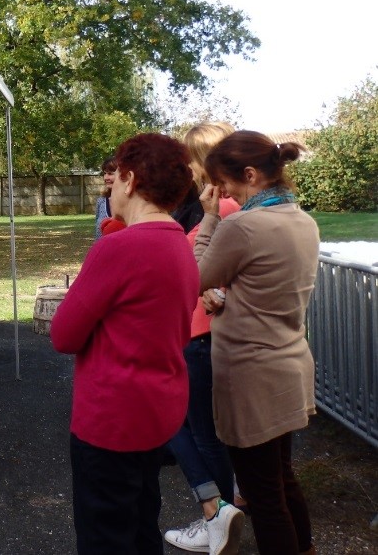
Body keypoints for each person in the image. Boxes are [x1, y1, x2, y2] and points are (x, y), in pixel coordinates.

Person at [51, 133, 199, 554]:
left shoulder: (118, 248)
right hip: (158, 410)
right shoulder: (180, 243)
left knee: (106, 535)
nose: (109, 188)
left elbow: (64, 334)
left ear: (131, 180)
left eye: (114, 179)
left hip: (112, 417)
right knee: (141, 524)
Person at [194, 131, 319, 555]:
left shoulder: (242, 225)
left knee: (263, 496)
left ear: (250, 174)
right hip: (290, 366)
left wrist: (209, 218)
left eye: (224, 182)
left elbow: (195, 277)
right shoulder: (302, 219)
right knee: (282, 478)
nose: (221, 191)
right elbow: (263, 286)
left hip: (252, 377)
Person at [164, 122, 245, 555]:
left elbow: (220, 268)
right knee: (200, 429)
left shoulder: (226, 208)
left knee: (188, 426)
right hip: (197, 332)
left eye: (193, 158)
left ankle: (217, 513)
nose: (190, 168)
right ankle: (223, 509)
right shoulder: (216, 206)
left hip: (201, 335)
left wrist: (221, 292)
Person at [93, 156, 117, 239]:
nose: (106, 178)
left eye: (110, 173)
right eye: (104, 173)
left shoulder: (133, 202)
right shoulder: (101, 202)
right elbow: (97, 235)